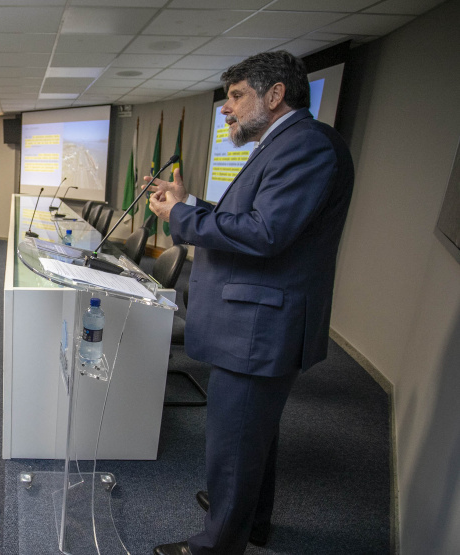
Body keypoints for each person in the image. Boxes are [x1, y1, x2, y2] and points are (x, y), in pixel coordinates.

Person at [147, 51, 355, 555]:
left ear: (276, 94)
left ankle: (218, 543)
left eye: (237, 96)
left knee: (236, 439)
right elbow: (249, 215)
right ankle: (247, 515)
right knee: (253, 433)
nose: (227, 109)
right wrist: (191, 204)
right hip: (257, 320)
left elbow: (265, 234)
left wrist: (180, 217)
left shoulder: (306, 147)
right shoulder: (284, 143)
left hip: (259, 326)